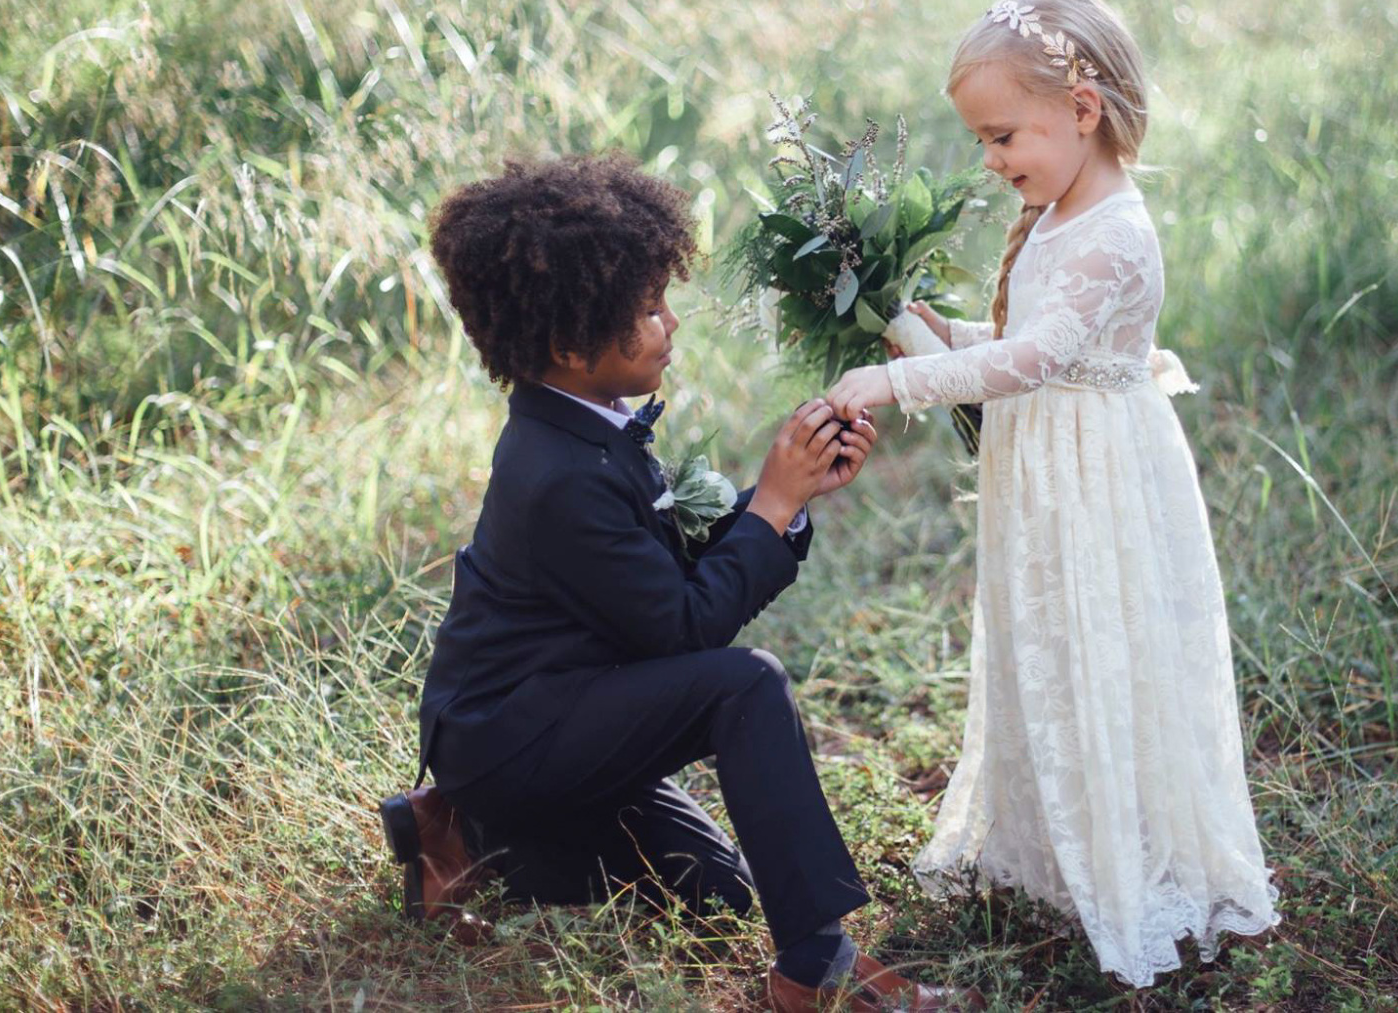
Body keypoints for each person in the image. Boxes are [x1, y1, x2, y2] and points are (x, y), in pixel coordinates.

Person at [380, 153, 981, 1012]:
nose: (670, 322)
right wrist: (767, 507)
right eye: (650, 309)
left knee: (716, 890)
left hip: (564, 706)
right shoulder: (555, 473)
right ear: (569, 343)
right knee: (745, 684)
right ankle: (818, 969)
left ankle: (463, 831)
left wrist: (791, 497)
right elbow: (683, 630)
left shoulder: (585, 423)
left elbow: (648, 580)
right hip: (511, 732)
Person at [826, 0, 1282, 988]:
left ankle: (1126, 858)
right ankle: (1050, 843)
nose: (988, 161)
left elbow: (1026, 364)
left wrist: (889, 378)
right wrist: (899, 313)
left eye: (1002, 137)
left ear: (1081, 111)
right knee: (1046, 645)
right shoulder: (1061, 209)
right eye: (980, 141)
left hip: (1098, 485)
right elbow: (1020, 341)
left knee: (1099, 645)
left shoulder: (1113, 232)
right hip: (1051, 474)